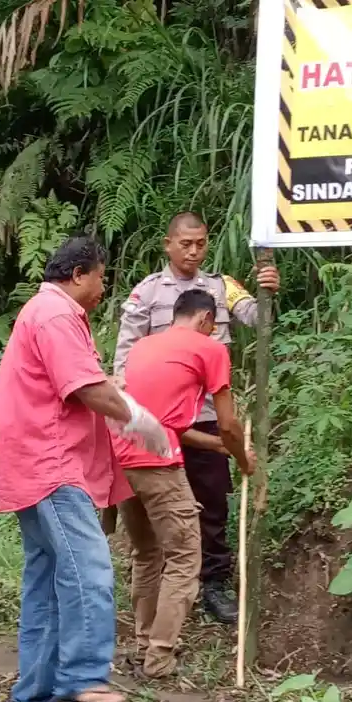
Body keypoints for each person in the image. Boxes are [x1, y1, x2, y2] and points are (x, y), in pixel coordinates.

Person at [0, 235, 169, 702]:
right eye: (101, 277)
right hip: (52, 464)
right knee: (88, 569)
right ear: (78, 275)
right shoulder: (56, 315)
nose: (103, 287)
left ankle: (36, 689)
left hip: (32, 461)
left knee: (47, 577)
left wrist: (123, 404)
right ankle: (83, 676)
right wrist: (137, 420)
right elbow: (88, 388)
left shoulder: (45, 313)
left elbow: (89, 383)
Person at [113, 212, 280, 624]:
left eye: (201, 243)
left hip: (206, 413)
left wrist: (268, 290)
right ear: (167, 244)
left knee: (211, 501)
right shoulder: (148, 292)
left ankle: (213, 583)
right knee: (153, 501)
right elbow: (124, 354)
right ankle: (159, 586)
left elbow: (260, 321)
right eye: (185, 244)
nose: (193, 251)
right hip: (156, 418)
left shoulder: (222, 287)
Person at [114, 290, 255, 678]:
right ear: (207, 319)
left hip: (123, 461)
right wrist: (244, 457)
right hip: (159, 464)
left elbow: (172, 424)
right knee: (185, 558)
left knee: (146, 555)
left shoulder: (144, 346)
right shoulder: (210, 350)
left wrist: (220, 449)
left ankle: (144, 644)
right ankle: (160, 658)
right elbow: (227, 422)